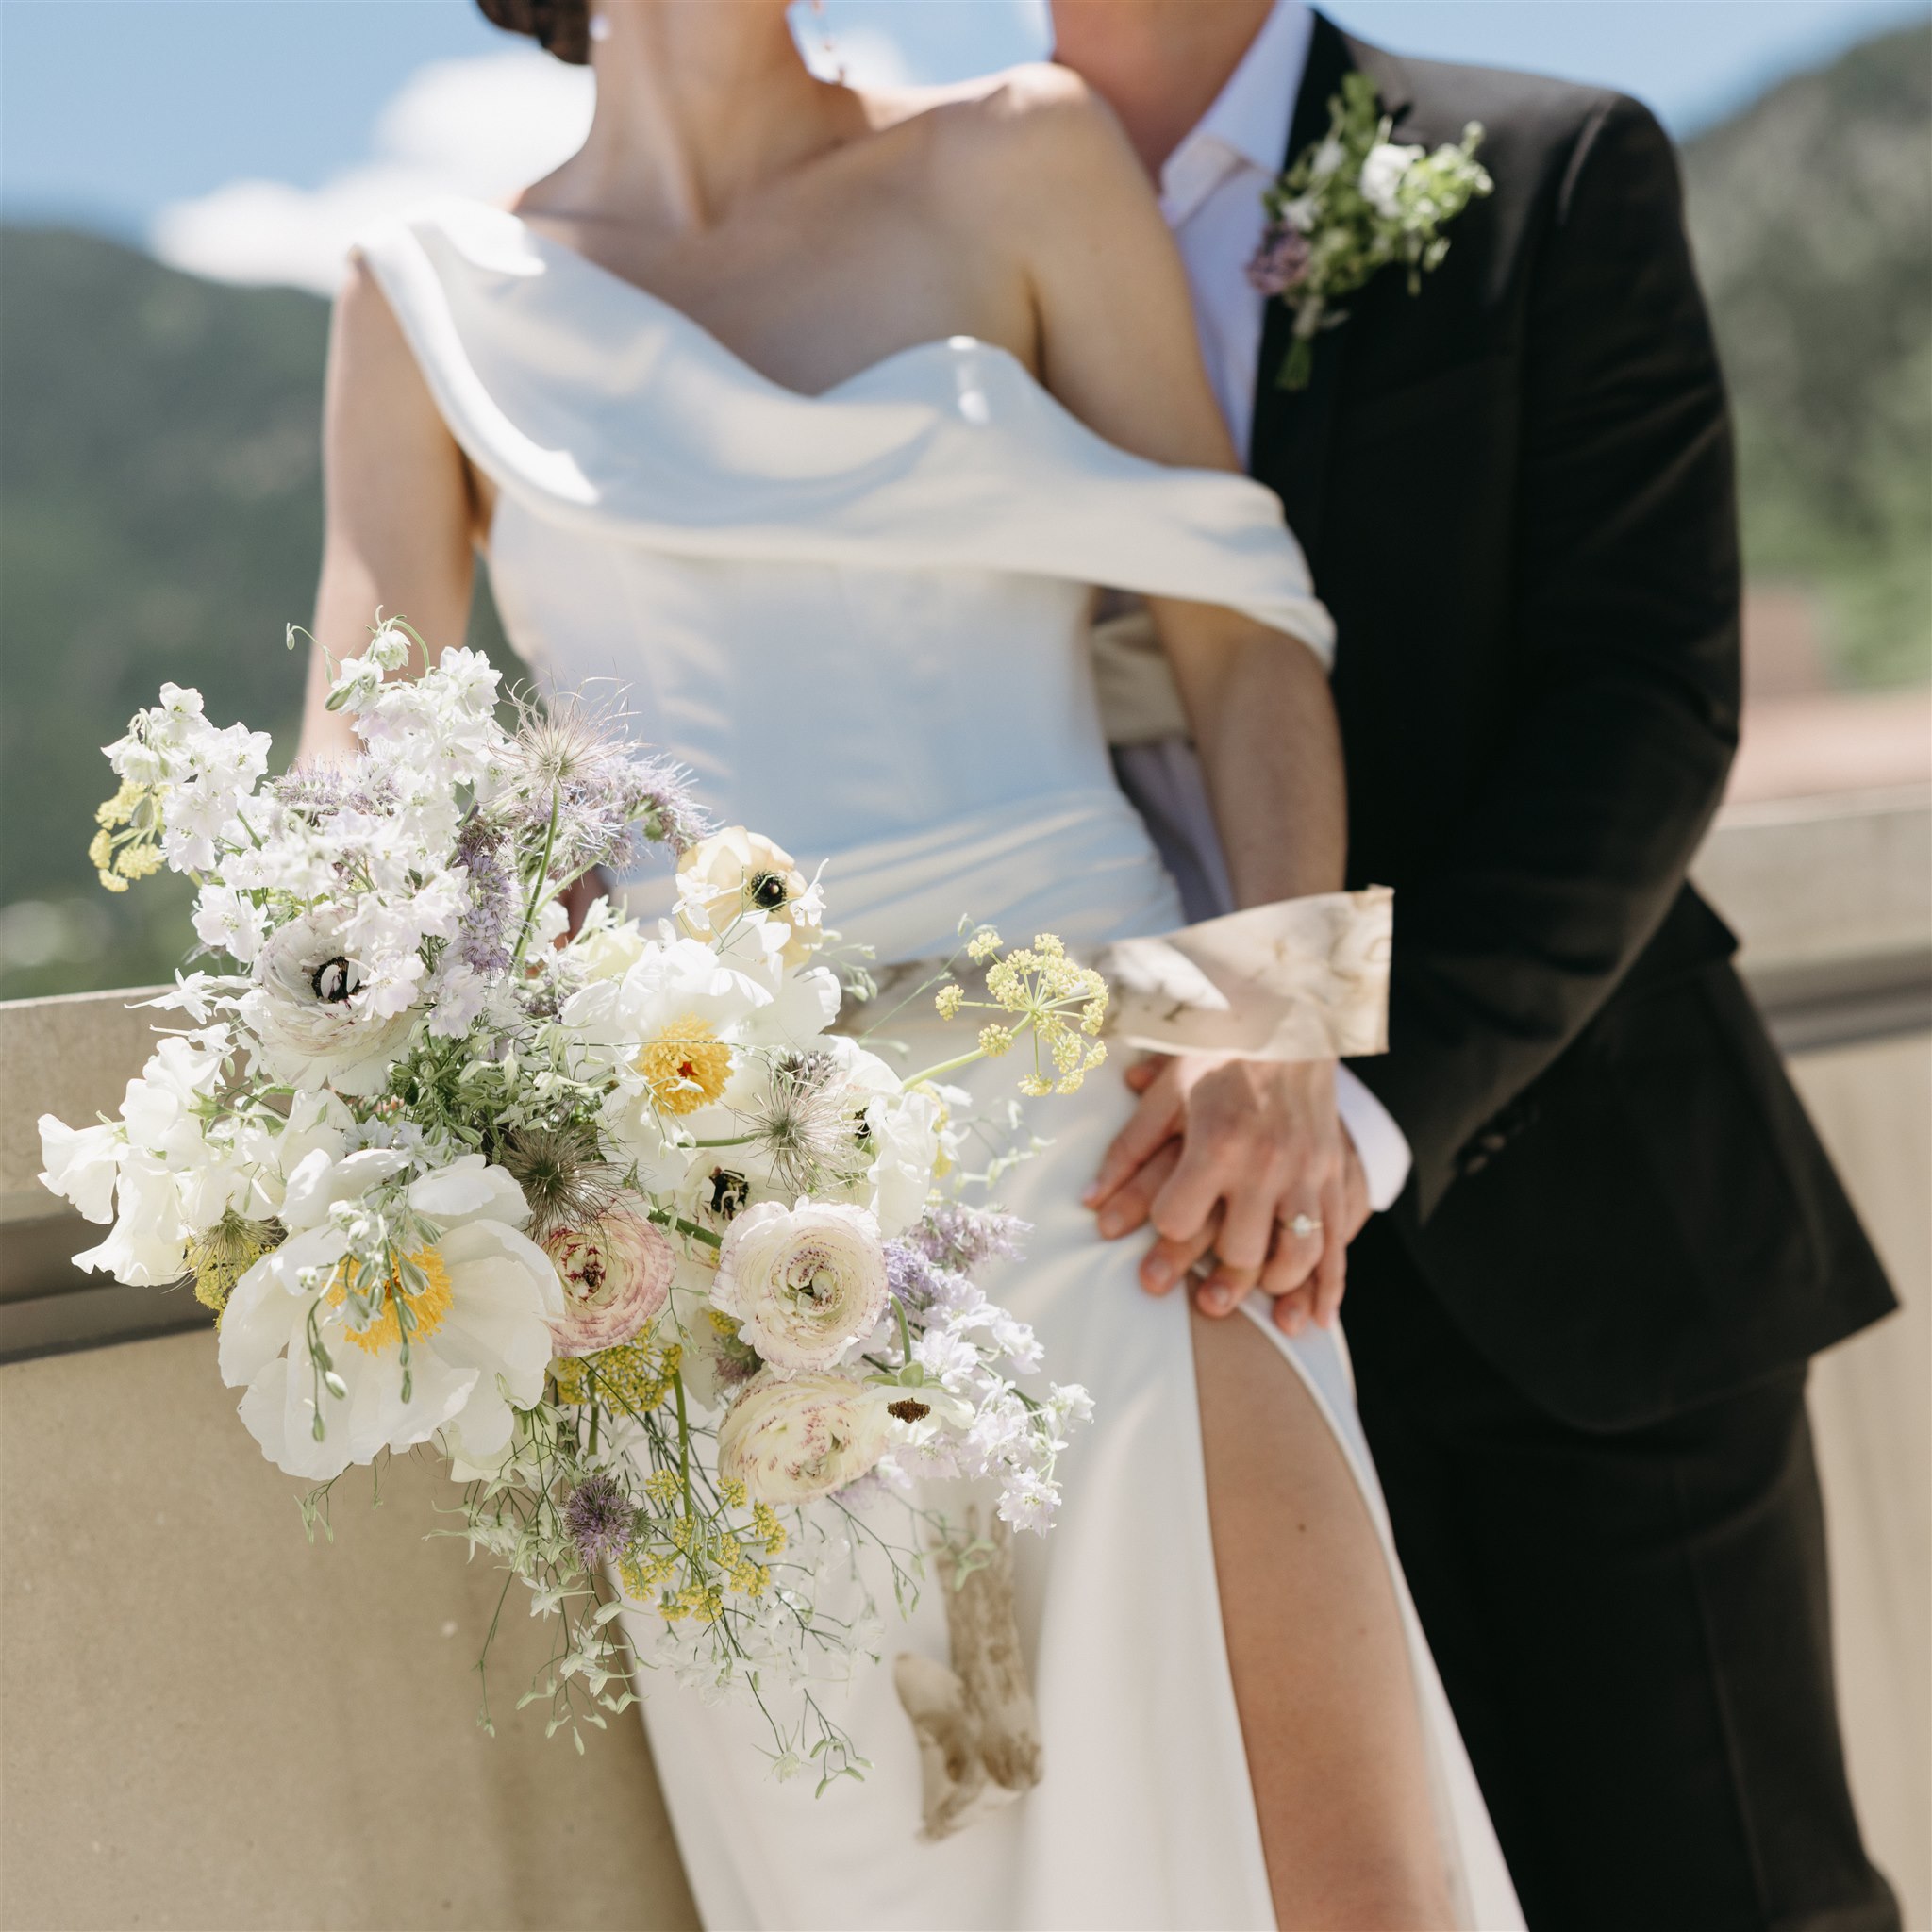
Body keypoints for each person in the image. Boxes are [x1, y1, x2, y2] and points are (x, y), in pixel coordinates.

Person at [297, 1, 1524, 1926]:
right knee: (915, 1884)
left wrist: (1280, 1035)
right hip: (715, 1214)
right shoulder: (429, 293)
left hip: (1127, 1137)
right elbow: (360, 770)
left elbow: (1241, 629)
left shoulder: (1020, 156)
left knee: (1350, 1880)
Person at [1058, 5, 1902, 1928]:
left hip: (1555, 1230)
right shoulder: (933, 243)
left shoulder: (1545, 170)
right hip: (1128, 1264)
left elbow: (1643, 703)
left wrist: (1347, 1102)